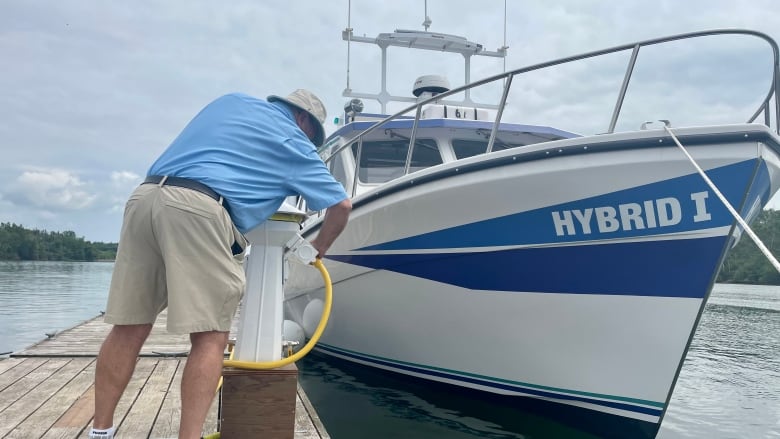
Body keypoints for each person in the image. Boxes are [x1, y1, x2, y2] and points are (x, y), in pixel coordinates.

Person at [89, 90, 352, 439]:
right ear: (303, 119)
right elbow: (341, 206)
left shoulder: (231, 102)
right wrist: (317, 249)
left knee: (129, 325)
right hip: (199, 208)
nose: (310, 142)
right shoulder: (293, 139)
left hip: (145, 198)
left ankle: (100, 431)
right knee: (211, 338)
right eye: (313, 136)